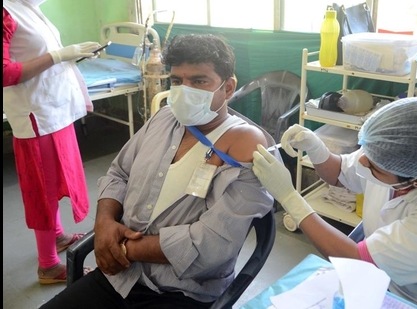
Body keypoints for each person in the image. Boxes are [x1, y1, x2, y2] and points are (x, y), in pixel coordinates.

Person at [40, 33, 276, 309]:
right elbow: (118, 173)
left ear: (228, 87)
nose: (184, 90)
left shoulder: (245, 145)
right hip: (120, 276)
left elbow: (213, 246)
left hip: (180, 290)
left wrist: (122, 249)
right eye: (177, 81)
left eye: (199, 81)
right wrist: (104, 224)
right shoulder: (164, 119)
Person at [252, 97, 417, 308]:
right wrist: (316, 147)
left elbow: (358, 260)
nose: (363, 162)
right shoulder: (395, 155)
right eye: (366, 150)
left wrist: (289, 198)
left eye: (375, 165)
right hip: (396, 286)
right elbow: (341, 174)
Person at [3, 0, 102, 284]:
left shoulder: (31, 7)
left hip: (55, 108)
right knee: (43, 189)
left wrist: (72, 56)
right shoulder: (6, 11)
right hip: (36, 116)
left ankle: (56, 236)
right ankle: (48, 266)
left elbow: (36, 52)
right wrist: (58, 56)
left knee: (56, 179)